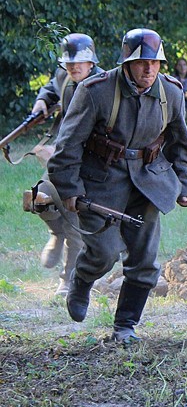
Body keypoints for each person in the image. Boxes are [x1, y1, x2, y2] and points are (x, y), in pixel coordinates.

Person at [47, 28, 187, 343]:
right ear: (127, 62)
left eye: (155, 62)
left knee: (144, 260)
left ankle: (125, 327)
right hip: (100, 181)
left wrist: (185, 184)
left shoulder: (170, 93)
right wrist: (70, 189)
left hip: (148, 183)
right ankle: (82, 280)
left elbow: (181, 144)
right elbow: (67, 147)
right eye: (142, 62)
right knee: (103, 253)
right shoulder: (96, 91)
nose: (149, 69)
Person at [32, 33, 104, 297]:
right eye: (69, 63)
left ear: (91, 63)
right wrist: (42, 100)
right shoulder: (65, 77)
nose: (74, 67)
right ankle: (55, 233)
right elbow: (52, 87)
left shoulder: (103, 85)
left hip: (90, 162)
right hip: (61, 158)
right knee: (39, 199)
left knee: (74, 216)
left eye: (79, 63)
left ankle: (68, 280)